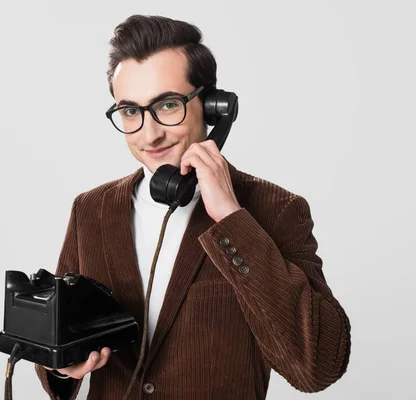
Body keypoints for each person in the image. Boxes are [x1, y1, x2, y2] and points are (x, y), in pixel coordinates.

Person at [34, 14, 351, 400]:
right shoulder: (91, 210)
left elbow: (319, 366)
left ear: (213, 106)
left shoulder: (275, 208)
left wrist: (232, 219)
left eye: (167, 105)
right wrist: (63, 366)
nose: (149, 134)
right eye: (131, 111)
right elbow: (60, 336)